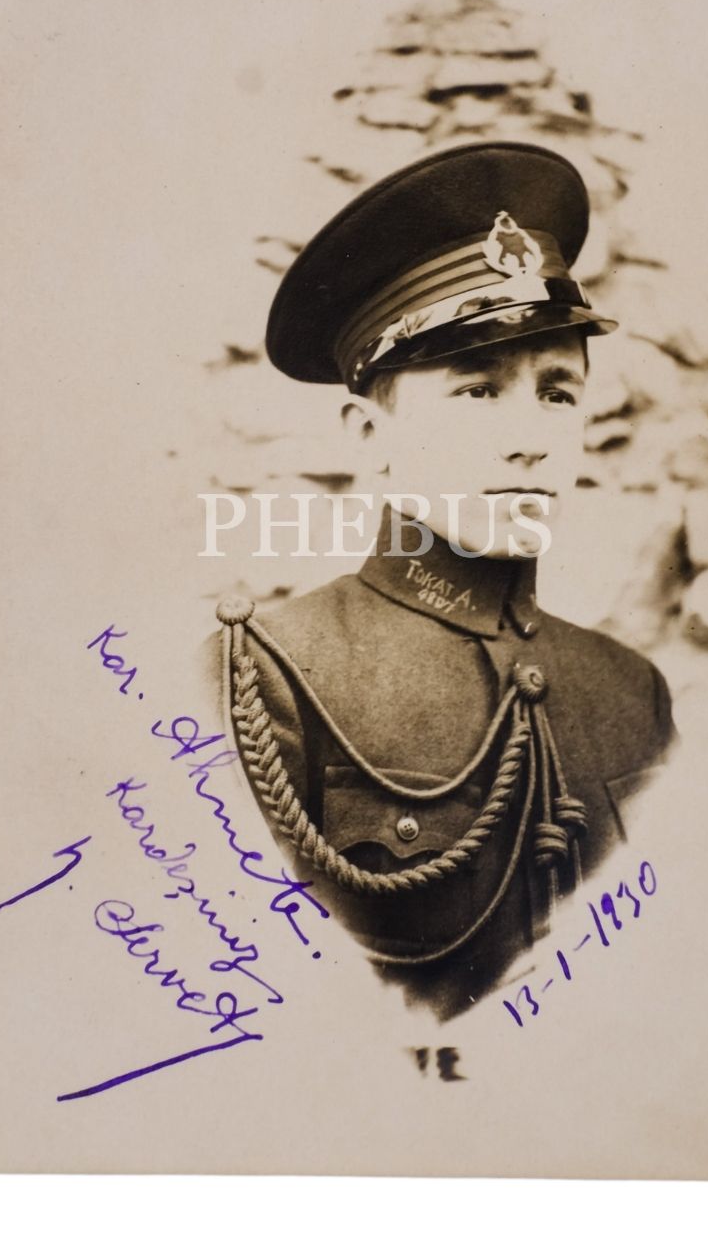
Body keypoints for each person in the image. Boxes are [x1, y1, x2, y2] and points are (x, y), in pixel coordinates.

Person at [210, 141, 676, 1018]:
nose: (531, 440)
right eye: (478, 392)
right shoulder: (263, 676)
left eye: (558, 393)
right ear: (368, 437)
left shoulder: (632, 693)